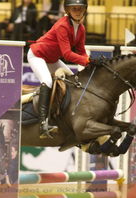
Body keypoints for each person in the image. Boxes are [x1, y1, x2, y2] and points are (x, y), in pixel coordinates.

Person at [28, 0, 90, 138]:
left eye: (80, 8)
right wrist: (87, 61)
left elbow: (81, 51)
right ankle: (43, 124)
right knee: (47, 81)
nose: (77, 11)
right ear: (67, 10)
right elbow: (67, 54)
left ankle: (62, 116)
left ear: (84, 10)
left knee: (70, 80)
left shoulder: (81, 29)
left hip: (52, 59)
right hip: (37, 55)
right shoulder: (62, 25)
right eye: (74, 9)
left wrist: (90, 63)